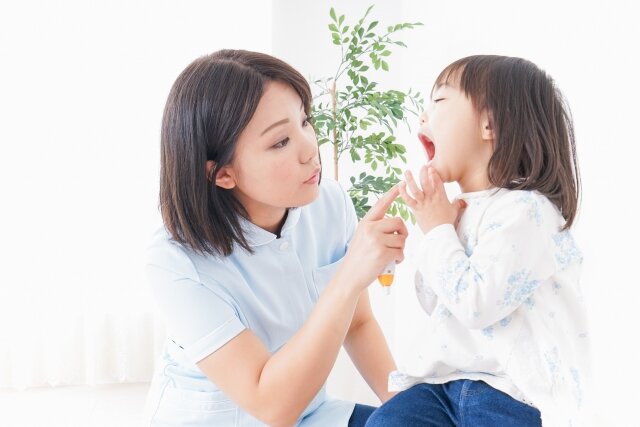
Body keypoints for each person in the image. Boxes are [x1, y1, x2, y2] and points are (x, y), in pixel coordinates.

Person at [144, 49, 407, 427]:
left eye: (305, 121)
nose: (310, 148)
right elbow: (271, 408)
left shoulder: (330, 203)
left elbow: (359, 323)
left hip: (312, 413)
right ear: (221, 174)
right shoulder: (174, 261)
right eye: (280, 141)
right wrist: (349, 275)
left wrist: (413, 411)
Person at [365, 55, 589, 426]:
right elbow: (435, 301)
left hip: (509, 392)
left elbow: (476, 305)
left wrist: (439, 232)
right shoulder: (460, 211)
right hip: (443, 385)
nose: (422, 118)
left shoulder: (527, 211)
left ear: (489, 124)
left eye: (439, 101)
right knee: (386, 421)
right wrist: (437, 232)